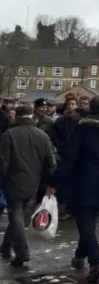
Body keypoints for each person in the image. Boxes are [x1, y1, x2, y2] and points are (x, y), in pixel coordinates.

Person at [54, 96, 99, 284]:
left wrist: (56, 180)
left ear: (91, 108)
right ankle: (80, 255)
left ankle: (96, 261)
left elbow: (70, 156)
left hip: (84, 181)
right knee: (89, 221)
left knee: (85, 223)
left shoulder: (82, 128)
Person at [0, 106, 56, 267]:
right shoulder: (42, 135)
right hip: (33, 182)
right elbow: (50, 163)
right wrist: (51, 183)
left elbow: (3, 163)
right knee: (18, 214)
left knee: (15, 214)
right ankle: (5, 247)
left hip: (14, 181)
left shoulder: (9, 135)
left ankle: (22, 251)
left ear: (17, 116)